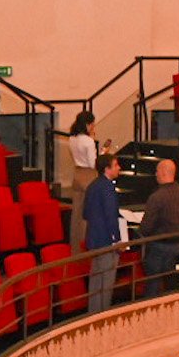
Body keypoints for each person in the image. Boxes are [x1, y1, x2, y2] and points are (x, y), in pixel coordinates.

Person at [138, 157, 179, 297]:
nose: (155, 174)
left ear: (163, 173)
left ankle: (150, 311)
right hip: (177, 245)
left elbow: (145, 227)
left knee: (153, 283)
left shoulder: (156, 197)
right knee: (168, 282)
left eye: (157, 171)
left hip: (158, 246)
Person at [82, 155, 125, 313]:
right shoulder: (107, 188)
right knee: (106, 283)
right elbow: (110, 216)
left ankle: (92, 315)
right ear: (107, 169)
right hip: (106, 241)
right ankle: (102, 317)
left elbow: (85, 213)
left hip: (94, 239)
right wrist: (117, 240)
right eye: (115, 165)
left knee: (95, 281)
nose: (119, 167)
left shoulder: (93, 185)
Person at [67, 111, 110, 246]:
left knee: (77, 214)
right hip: (88, 176)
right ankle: (86, 244)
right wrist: (103, 153)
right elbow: (93, 164)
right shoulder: (88, 141)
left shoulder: (72, 138)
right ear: (87, 124)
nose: (93, 127)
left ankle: (75, 245)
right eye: (92, 124)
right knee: (88, 213)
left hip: (77, 174)